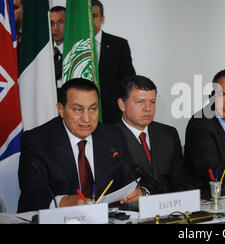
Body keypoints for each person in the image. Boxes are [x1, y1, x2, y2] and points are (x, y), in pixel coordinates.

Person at [18, 78, 143, 213]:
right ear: (61, 109)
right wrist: (62, 201)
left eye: (93, 109)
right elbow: (32, 192)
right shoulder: (37, 141)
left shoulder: (112, 137)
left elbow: (131, 178)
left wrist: (138, 192)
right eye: (78, 110)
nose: (87, 118)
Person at [115, 75, 193, 193]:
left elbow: (181, 180)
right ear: (122, 105)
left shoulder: (168, 134)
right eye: (140, 102)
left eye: (152, 102)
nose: (148, 108)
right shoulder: (110, 138)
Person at [91, 0, 136, 124]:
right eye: (86, 17)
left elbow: (128, 79)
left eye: (94, 16)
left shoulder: (118, 44)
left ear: (102, 18)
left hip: (112, 115)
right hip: (82, 112)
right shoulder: (74, 47)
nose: (90, 20)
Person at [50, 6, 66, 88]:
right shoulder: (43, 52)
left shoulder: (77, 51)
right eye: (51, 23)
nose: (55, 28)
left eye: (61, 22)